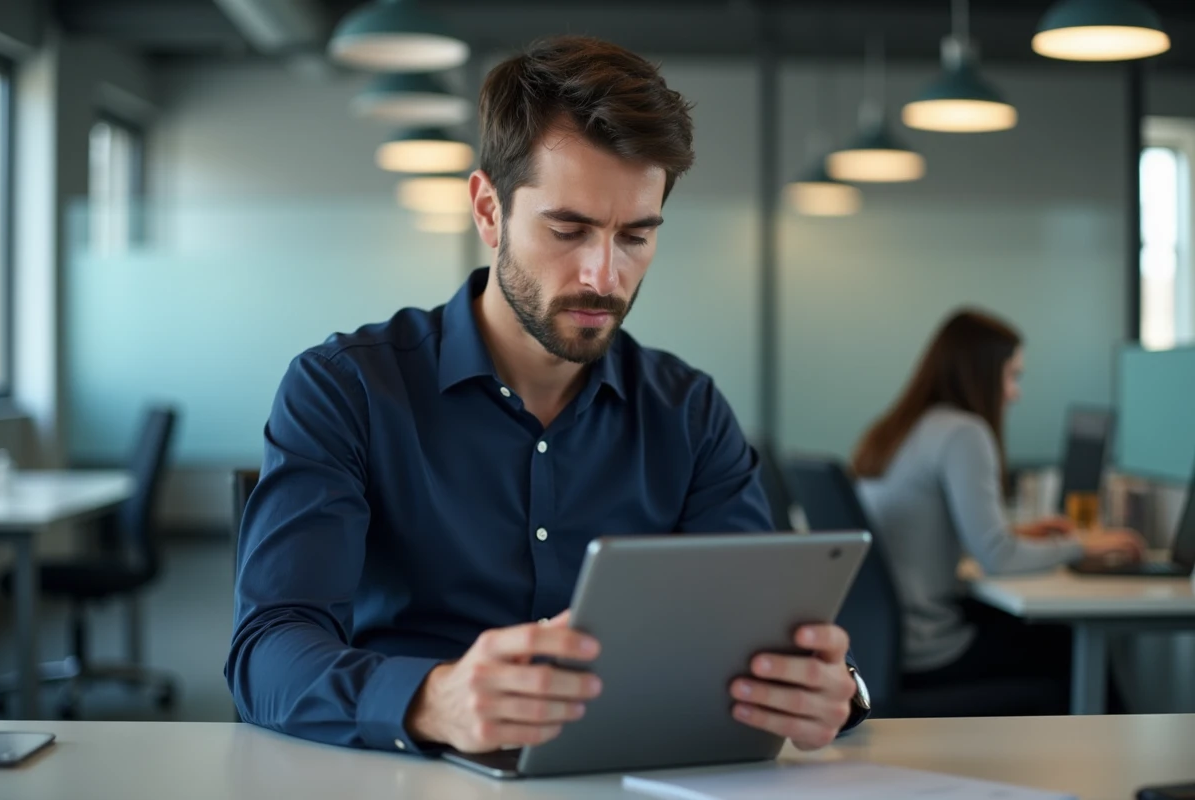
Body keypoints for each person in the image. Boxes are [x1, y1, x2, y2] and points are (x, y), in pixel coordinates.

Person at [227, 35, 868, 757]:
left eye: (636, 236)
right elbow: (267, 653)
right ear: (488, 210)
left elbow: (762, 642)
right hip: (408, 772)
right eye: (569, 229)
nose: (603, 274)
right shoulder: (345, 389)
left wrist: (831, 691)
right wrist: (432, 700)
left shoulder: (688, 413)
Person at [852, 309, 1142, 704]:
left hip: (884, 645)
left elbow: (938, 528)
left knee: (1042, 634)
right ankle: (1121, 762)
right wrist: (1086, 546)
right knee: (1071, 646)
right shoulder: (964, 433)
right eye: (1012, 375)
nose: (1015, 392)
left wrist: (1020, 532)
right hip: (931, 647)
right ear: (982, 374)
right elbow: (998, 558)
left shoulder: (901, 427)